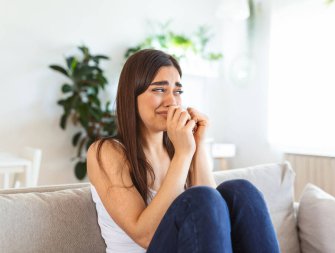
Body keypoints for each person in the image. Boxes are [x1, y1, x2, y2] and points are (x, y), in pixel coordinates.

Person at [87, 49, 280, 253]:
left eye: (177, 91)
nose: (172, 101)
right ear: (132, 94)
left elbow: (213, 221)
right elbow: (145, 236)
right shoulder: (107, 151)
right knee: (201, 198)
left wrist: (197, 145)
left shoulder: (180, 148)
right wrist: (183, 154)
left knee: (241, 190)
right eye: (159, 90)